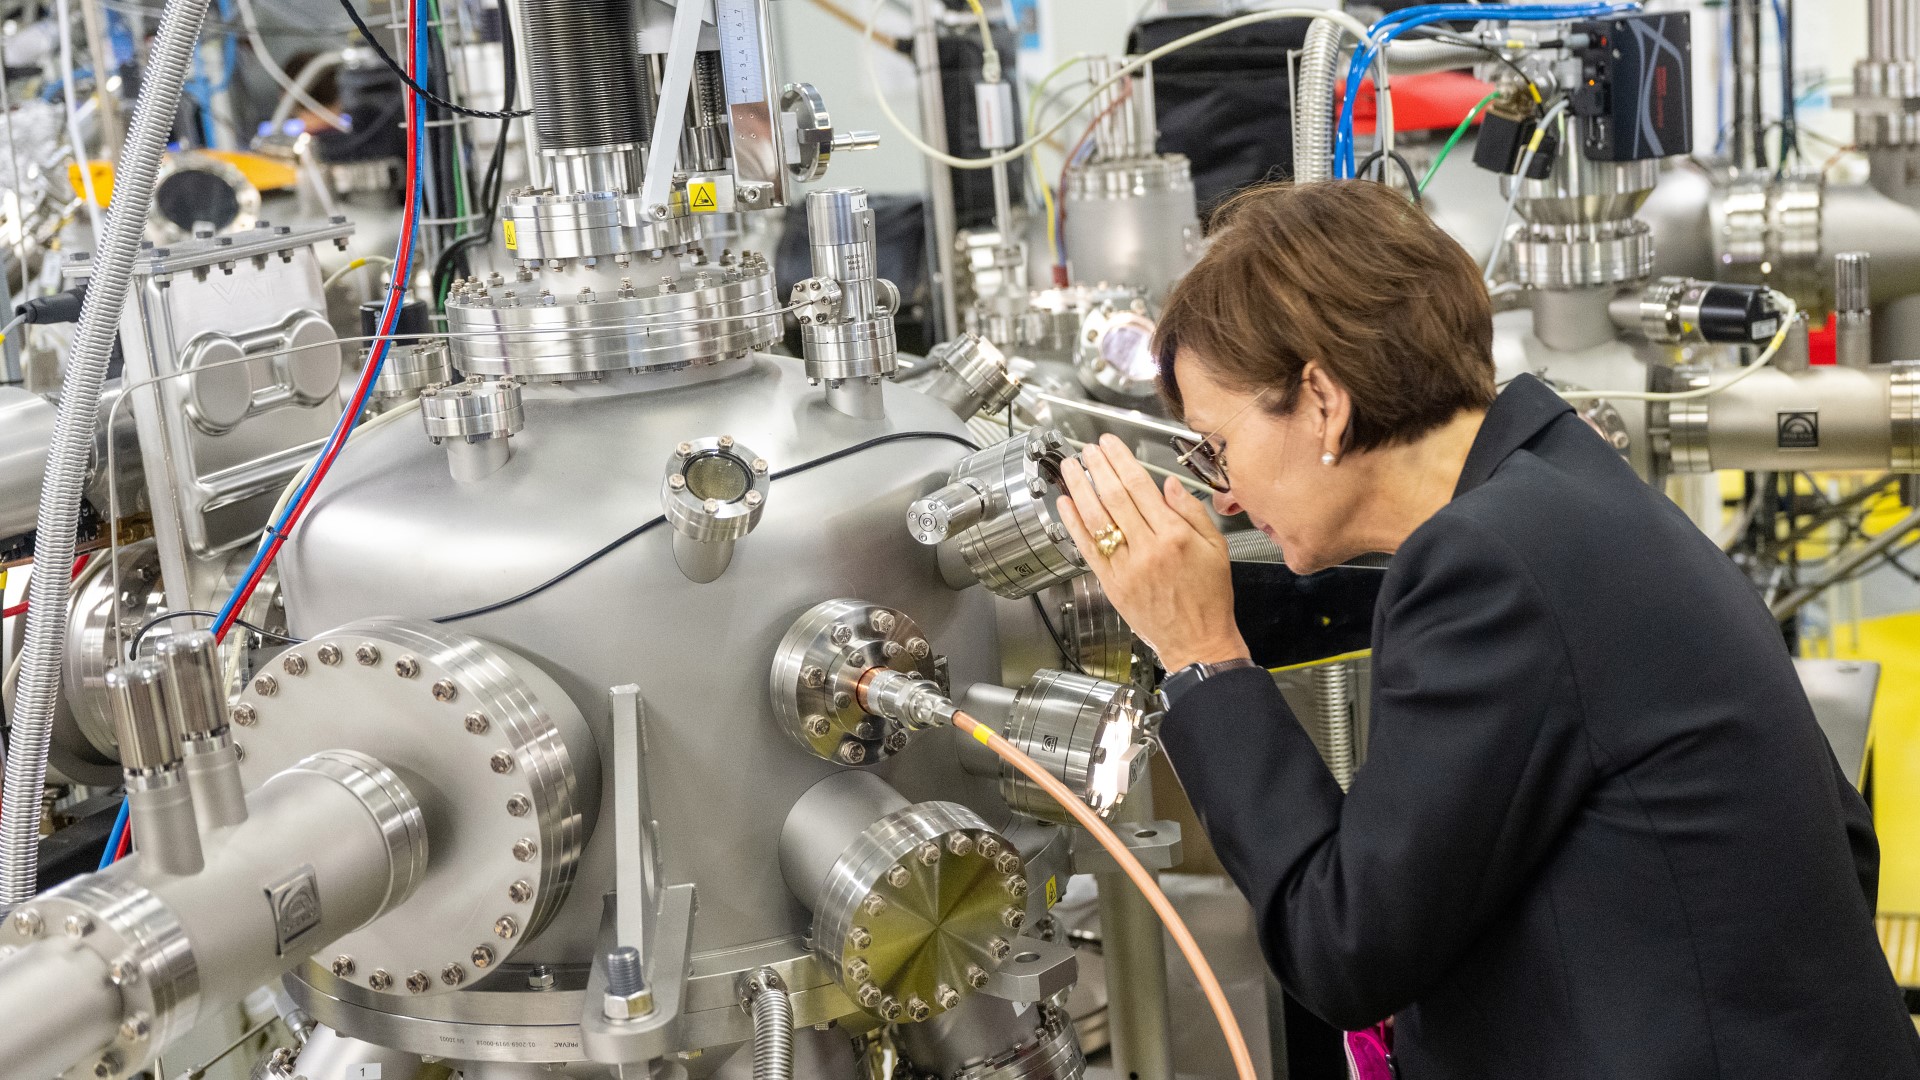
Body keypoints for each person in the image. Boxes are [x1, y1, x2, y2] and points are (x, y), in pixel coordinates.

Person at [1054, 180, 1920, 1079]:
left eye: (1215, 446)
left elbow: (1341, 949)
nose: (1224, 495)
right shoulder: (1566, 486)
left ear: (1322, 400)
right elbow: (1842, 846)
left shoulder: (1487, 567)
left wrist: (1201, 653)